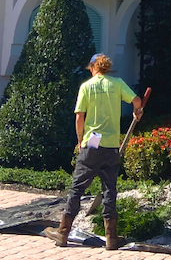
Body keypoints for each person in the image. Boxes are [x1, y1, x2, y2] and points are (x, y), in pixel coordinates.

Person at [44, 53, 143, 249]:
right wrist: (136, 111)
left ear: (92, 67)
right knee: (109, 189)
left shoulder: (86, 87)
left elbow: (79, 117)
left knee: (77, 188)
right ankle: (111, 238)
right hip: (111, 146)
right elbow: (137, 100)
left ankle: (63, 232)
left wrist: (80, 140)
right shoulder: (117, 83)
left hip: (92, 145)